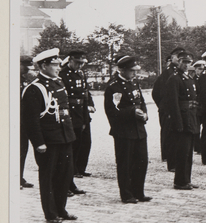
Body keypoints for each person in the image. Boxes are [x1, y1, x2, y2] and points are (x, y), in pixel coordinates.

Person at [21, 48, 77, 223]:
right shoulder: (34, 88)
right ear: (43, 65)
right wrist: (38, 143)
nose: (58, 68)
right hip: (48, 140)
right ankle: (51, 213)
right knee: (49, 177)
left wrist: (70, 135)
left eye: (59, 64)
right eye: (54, 64)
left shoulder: (58, 83)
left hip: (64, 137)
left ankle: (61, 209)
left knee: (64, 175)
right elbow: (31, 121)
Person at [104, 55, 152, 203]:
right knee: (125, 163)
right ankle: (126, 194)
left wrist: (144, 114)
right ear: (122, 70)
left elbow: (141, 102)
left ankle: (139, 191)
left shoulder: (134, 84)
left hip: (138, 129)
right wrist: (132, 112)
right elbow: (112, 111)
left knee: (141, 161)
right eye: (132, 71)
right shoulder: (114, 87)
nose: (134, 74)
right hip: (124, 131)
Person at [59, 50, 93, 198]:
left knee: (76, 150)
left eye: (82, 63)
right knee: (67, 153)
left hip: (80, 115)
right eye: (77, 62)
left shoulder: (81, 74)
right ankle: (64, 185)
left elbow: (85, 97)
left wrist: (85, 119)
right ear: (70, 60)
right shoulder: (63, 75)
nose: (79, 66)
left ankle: (70, 182)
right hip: (70, 116)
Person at [165, 52, 200, 190]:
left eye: (189, 62)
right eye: (184, 62)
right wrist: (178, 123)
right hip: (182, 120)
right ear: (178, 61)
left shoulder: (188, 78)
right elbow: (172, 103)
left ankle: (186, 179)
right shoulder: (174, 79)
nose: (186, 64)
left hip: (190, 117)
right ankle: (180, 181)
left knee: (188, 152)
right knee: (182, 152)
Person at [152, 47, 185, 172]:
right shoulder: (168, 72)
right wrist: (163, 106)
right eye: (177, 56)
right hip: (168, 109)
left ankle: (174, 159)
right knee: (169, 134)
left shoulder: (179, 71)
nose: (179, 59)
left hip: (176, 108)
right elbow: (156, 92)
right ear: (172, 58)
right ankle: (169, 159)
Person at [20, 56, 37, 189]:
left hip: (23, 122)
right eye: (25, 66)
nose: (27, 69)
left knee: (22, 150)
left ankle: (19, 177)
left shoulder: (26, 79)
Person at [192, 60, 206, 154]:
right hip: (196, 106)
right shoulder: (193, 80)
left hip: (202, 106)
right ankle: (197, 147)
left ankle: (201, 146)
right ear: (195, 69)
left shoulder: (204, 78)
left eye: (202, 69)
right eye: (199, 69)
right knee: (196, 127)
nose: (200, 71)